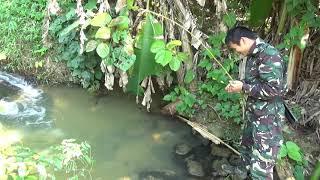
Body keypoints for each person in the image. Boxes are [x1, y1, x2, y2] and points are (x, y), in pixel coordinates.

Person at [224, 26, 286, 180]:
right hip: (255, 113)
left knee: (262, 163)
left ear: (243, 40)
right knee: (247, 147)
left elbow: (273, 90)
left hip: (268, 118)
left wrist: (244, 87)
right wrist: (239, 85)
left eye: (236, 49)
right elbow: (255, 81)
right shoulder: (252, 55)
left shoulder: (269, 55)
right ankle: (241, 172)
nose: (237, 53)